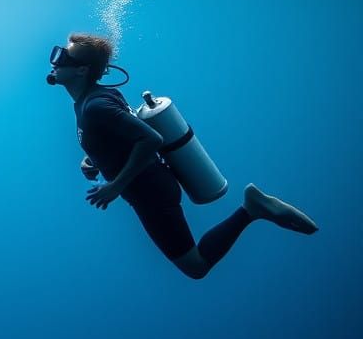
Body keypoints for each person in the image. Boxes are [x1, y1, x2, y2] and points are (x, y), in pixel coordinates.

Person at [48, 32, 317, 279]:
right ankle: (252, 209)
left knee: (196, 266)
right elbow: (118, 138)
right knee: (193, 265)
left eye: (62, 57)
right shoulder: (94, 98)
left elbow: (151, 138)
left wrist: (115, 186)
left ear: (82, 70)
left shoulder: (95, 106)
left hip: (151, 195)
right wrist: (94, 159)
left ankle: (252, 209)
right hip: (153, 188)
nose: (55, 61)